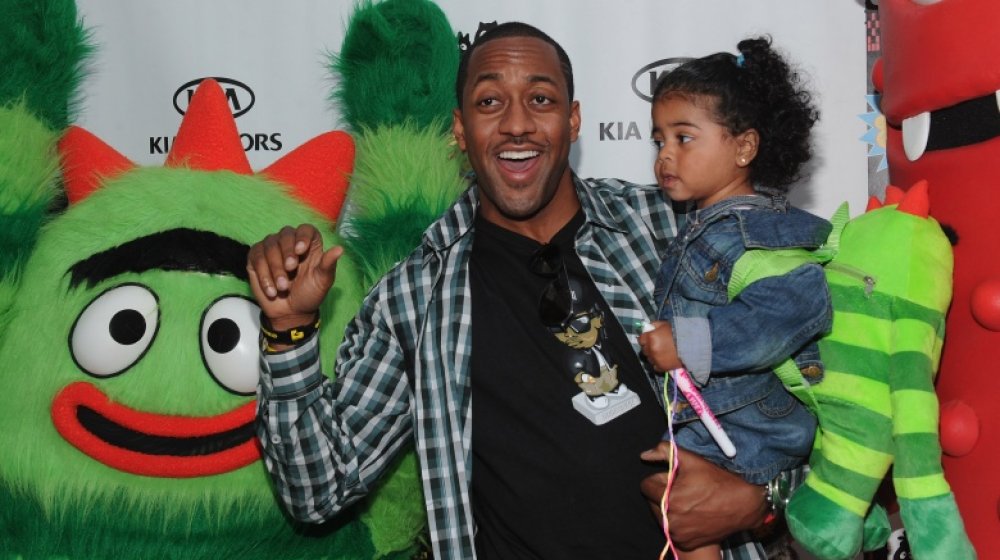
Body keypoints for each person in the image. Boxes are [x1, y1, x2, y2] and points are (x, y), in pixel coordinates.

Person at [247, 22, 785, 560]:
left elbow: (819, 380)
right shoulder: (414, 297)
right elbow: (319, 489)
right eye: (489, 102)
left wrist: (759, 497)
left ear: (573, 120)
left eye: (540, 98)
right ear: (460, 131)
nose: (517, 125)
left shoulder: (673, 229)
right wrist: (287, 332)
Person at [637, 37, 831, 559]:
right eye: (659, 141)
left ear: (744, 147)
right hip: (714, 419)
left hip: (751, 427)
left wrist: (688, 341)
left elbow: (793, 310)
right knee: (680, 513)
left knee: (683, 510)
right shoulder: (711, 222)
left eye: (684, 138)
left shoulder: (754, 232)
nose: (665, 156)